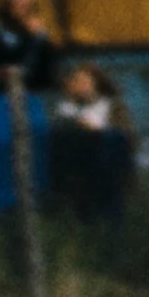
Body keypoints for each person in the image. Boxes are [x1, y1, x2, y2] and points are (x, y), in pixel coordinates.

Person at [0, 0, 60, 217]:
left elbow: (44, 68)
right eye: (17, 4)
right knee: (4, 142)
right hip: (2, 96)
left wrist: (38, 39)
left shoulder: (38, 33)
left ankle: (37, 197)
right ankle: (4, 203)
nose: (23, 9)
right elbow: (0, 65)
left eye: (27, 5)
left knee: (38, 136)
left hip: (30, 94)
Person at [53, 59, 134, 261]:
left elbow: (126, 141)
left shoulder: (111, 107)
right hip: (80, 177)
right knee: (84, 223)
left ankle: (113, 259)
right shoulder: (66, 111)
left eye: (84, 81)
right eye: (76, 81)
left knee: (111, 225)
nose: (80, 86)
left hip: (108, 176)